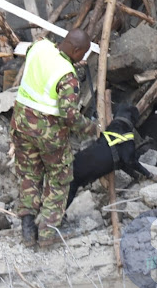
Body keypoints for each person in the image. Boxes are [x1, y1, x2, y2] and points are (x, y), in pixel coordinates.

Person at [10, 29, 98, 248]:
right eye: (83, 54)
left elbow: (39, 61)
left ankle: (28, 230)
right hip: (48, 133)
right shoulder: (68, 77)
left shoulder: (40, 46)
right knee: (59, 178)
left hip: (21, 123)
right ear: (76, 50)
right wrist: (90, 128)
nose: (83, 59)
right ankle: (47, 235)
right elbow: (70, 116)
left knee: (29, 174)